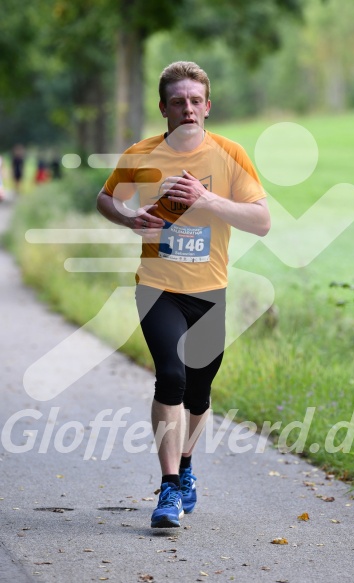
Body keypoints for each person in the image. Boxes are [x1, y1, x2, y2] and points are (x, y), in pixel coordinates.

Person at [97, 61, 270, 528]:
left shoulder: (230, 154)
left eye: (196, 101)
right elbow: (106, 197)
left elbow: (262, 220)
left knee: (199, 389)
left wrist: (207, 199)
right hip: (157, 286)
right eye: (178, 101)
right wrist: (130, 218)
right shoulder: (142, 152)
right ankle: (169, 486)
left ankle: (187, 463)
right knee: (170, 376)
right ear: (163, 108)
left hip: (210, 290)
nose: (188, 108)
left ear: (208, 107)